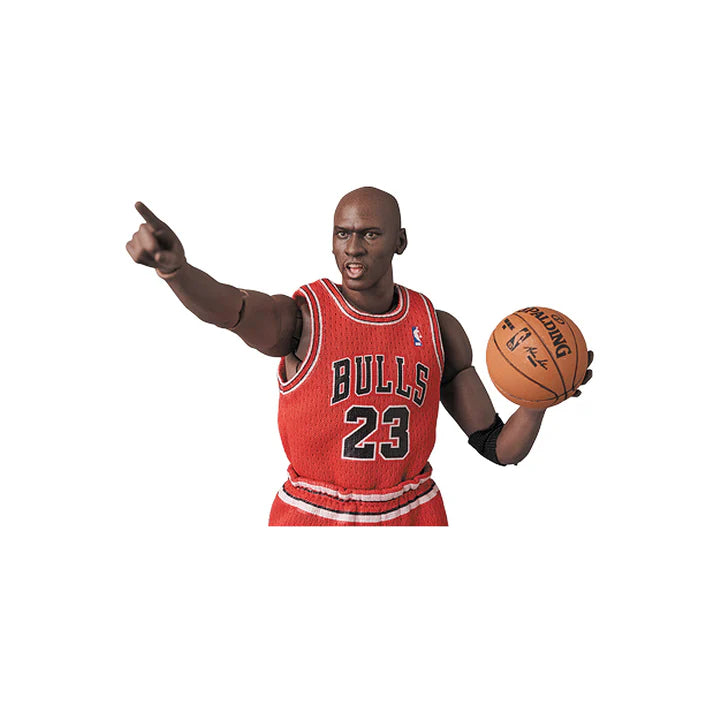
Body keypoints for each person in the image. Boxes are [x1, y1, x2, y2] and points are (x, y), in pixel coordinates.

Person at [126, 187, 593, 526]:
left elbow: (498, 448)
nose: (353, 248)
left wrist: (538, 401)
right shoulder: (304, 317)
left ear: (400, 242)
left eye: (370, 234)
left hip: (412, 515)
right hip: (313, 515)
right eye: (342, 234)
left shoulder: (437, 328)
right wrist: (178, 272)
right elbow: (233, 309)